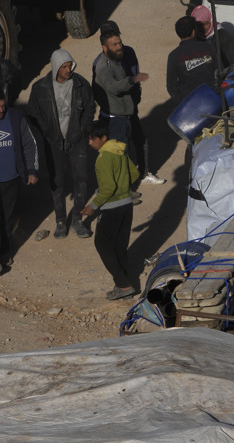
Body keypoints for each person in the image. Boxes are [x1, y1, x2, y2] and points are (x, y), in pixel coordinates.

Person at [28, 49, 95, 240]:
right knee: (57, 181)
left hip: (77, 139)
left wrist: (82, 130)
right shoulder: (40, 87)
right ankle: (60, 220)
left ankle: (77, 219)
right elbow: (33, 113)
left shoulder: (81, 84)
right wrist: (47, 132)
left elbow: (90, 107)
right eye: (64, 67)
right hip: (53, 142)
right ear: (56, 67)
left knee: (81, 179)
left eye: (70, 66)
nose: (68, 70)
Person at [93, 22, 162, 185]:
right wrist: (111, 107)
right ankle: (125, 188)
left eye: (119, 42)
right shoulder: (101, 64)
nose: (118, 47)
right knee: (120, 151)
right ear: (104, 46)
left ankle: (143, 174)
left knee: (141, 141)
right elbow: (104, 88)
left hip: (130, 109)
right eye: (113, 44)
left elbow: (135, 72)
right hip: (114, 115)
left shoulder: (128, 52)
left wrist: (135, 97)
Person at [82, 119, 140, 299]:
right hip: (126, 205)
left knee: (103, 244)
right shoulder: (120, 150)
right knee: (120, 246)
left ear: (103, 137)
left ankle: (124, 285)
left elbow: (108, 188)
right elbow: (135, 173)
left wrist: (92, 206)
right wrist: (124, 186)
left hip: (112, 208)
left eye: (93, 139)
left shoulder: (103, 159)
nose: (90, 143)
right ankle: (124, 285)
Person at [0, 91, 38, 273]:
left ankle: (4, 254)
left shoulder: (15, 117)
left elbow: (29, 144)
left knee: (7, 219)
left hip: (10, 180)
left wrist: (31, 170)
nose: (1, 111)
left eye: (2, 106)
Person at [166, 15, 217, 108]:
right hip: (212, 100)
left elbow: (171, 86)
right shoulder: (208, 47)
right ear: (194, 31)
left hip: (189, 105)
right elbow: (220, 70)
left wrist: (183, 102)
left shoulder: (173, 55)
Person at [189, 5, 234, 70]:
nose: (201, 28)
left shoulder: (224, 37)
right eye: (198, 25)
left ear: (211, 21)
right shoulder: (194, 37)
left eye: (205, 24)